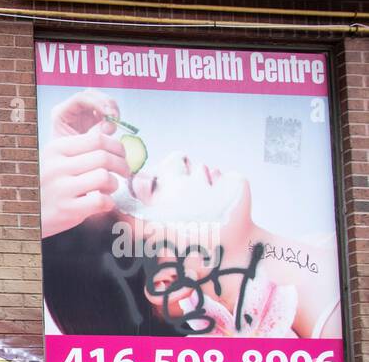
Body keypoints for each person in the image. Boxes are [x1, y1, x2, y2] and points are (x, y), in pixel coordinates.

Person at [40, 88, 342, 340]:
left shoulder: (329, 251)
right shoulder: (341, 324)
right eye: (152, 186)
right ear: (169, 281)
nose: (177, 158)